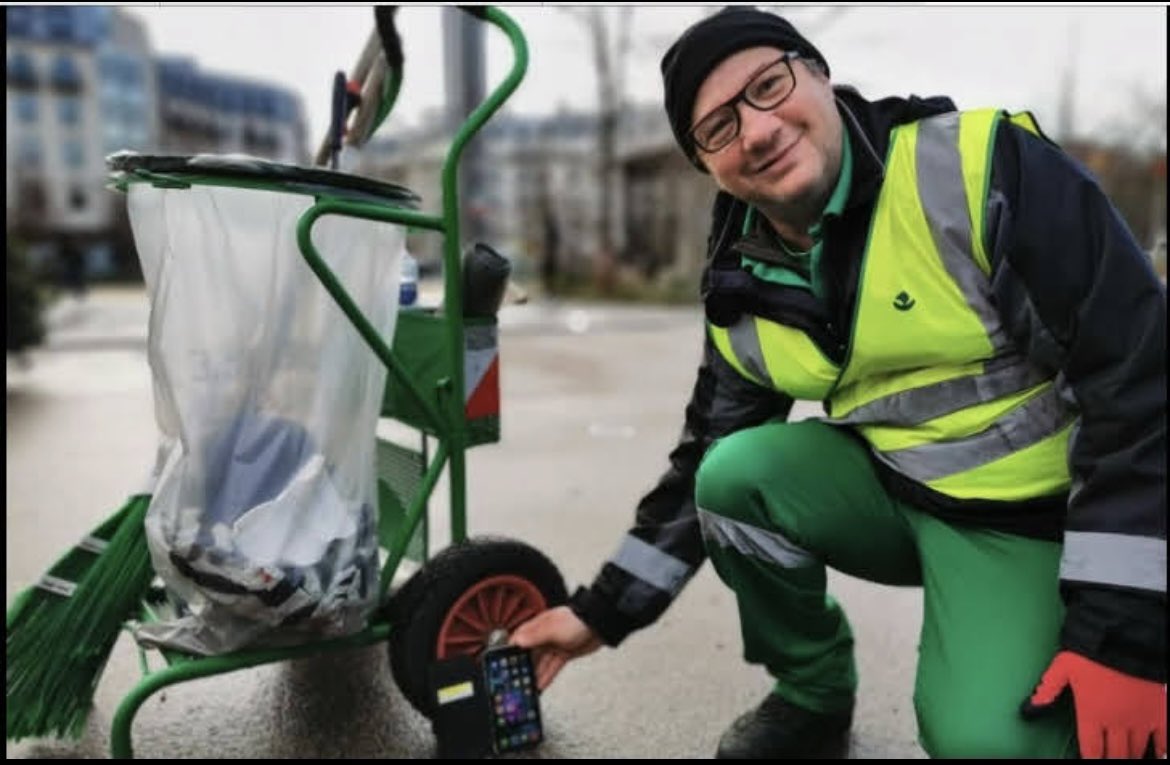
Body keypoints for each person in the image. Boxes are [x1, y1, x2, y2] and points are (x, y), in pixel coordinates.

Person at [510, 6, 1166, 760]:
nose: (755, 130)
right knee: (732, 478)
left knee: (988, 743)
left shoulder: (975, 169)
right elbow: (704, 454)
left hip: (1042, 515)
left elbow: (1141, 379)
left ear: (819, 74)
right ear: (704, 164)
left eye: (767, 85)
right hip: (905, 494)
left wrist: (1125, 632)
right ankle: (813, 691)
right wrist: (598, 613)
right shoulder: (741, 277)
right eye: (718, 127)